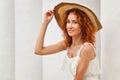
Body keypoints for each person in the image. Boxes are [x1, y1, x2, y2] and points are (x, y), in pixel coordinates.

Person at [35, 2, 102, 80]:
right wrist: (45, 23)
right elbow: (39, 50)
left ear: (83, 26)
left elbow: (78, 78)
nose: (69, 26)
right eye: (68, 22)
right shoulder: (67, 44)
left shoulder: (86, 49)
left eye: (75, 22)